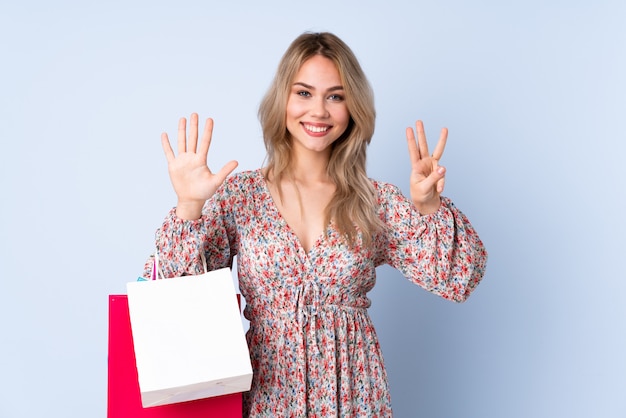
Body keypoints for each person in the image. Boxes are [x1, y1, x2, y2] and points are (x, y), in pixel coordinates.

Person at [144, 32, 487, 417]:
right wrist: (189, 206)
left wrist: (428, 205)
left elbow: (458, 278)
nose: (319, 111)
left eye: (336, 96)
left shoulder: (372, 200)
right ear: (283, 100)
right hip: (267, 393)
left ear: (353, 107)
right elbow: (171, 299)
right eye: (304, 93)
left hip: (354, 394)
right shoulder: (241, 196)